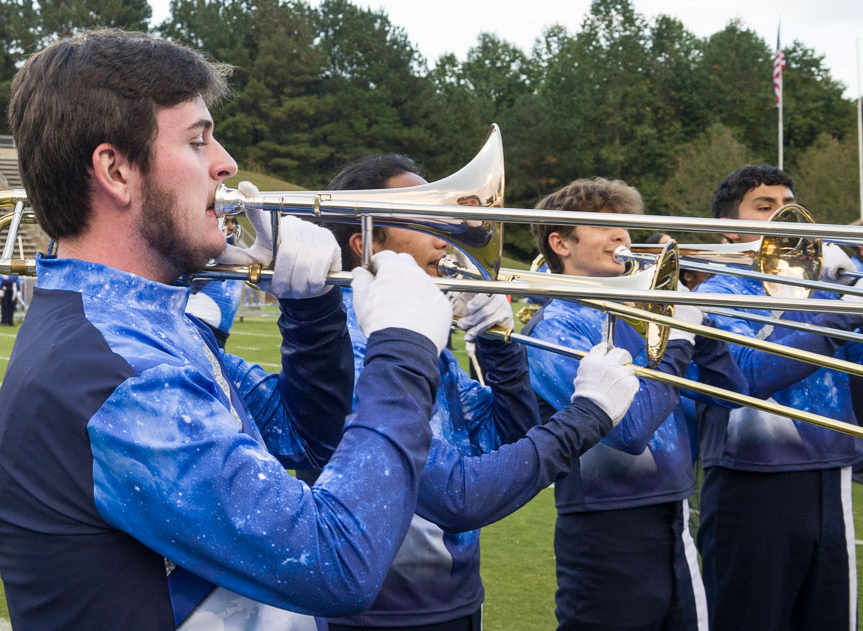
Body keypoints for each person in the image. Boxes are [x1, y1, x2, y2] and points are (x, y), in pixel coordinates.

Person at [0, 29, 504, 629]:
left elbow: (310, 441)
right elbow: (337, 563)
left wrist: (311, 312)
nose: (227, 163)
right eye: (198, 140)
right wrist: (404, 349)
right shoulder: (116, 369)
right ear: (115, 170)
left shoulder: (148, 324)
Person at [315, 154, 641, 631]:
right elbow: (459, 496)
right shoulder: (349, 344)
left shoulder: (412, 333)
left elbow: (505, 437)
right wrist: (587, 414)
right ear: (367, 245)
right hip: (382, 613)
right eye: (425, 219)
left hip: (455, 597)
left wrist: (498, 346)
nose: (447, 233)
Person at [526, 177, 746, 631]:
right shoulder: (554, 327)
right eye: (606, 227)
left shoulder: (637, 314)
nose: (622, 237)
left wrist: (700, 329)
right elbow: (628, 432)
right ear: (559, 243)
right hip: (604, 529)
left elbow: (731, 392)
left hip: (674, 515)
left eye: (625, 226)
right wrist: (679, 341)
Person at [694, 165, 861, 631]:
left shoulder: (827, 288)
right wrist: (836, 310)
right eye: (765, 208)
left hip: (831, 474)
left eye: (788, 208)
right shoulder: (716, 291)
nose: (782, 217)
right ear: (729, 231)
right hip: (750, 480)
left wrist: (854, 286)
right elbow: (746, 376)